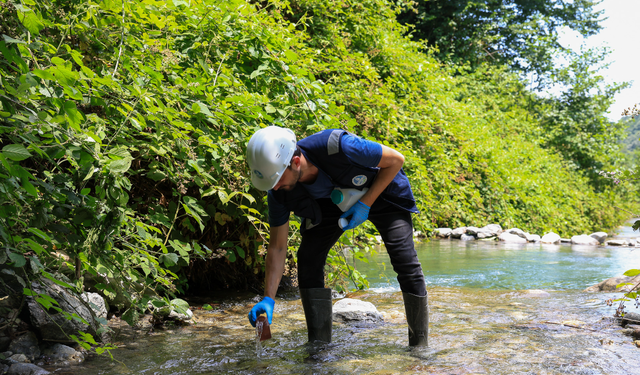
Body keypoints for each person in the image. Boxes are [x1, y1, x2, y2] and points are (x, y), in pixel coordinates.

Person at [245, 126, 428, 346]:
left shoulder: (339, 147)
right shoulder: (279, 192)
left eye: (276, 180)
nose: (274, 188)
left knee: (404, 259)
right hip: (329, 204)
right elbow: (277, 247)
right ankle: (319, 347)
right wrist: (268, 297)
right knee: (308, 258)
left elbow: (396, 160)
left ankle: (419, 348)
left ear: (295, 162)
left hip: (381, 189)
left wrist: (365, 204)